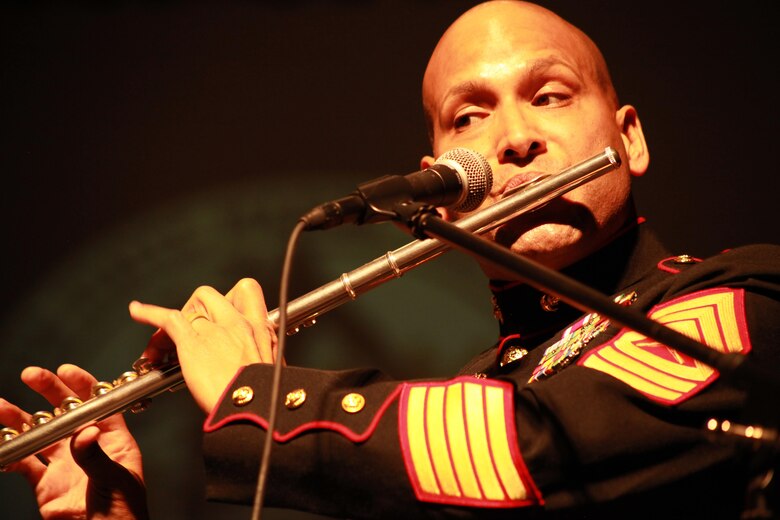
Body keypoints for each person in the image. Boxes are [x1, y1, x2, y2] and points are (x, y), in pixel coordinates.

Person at [1, 1, 778, 518]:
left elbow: (532, 450)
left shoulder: (744, 299)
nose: (513, 140)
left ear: (629, 138)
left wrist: (261, 395)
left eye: (550, 96)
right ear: (440, 192)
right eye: (468, 116)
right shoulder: (462, 393)